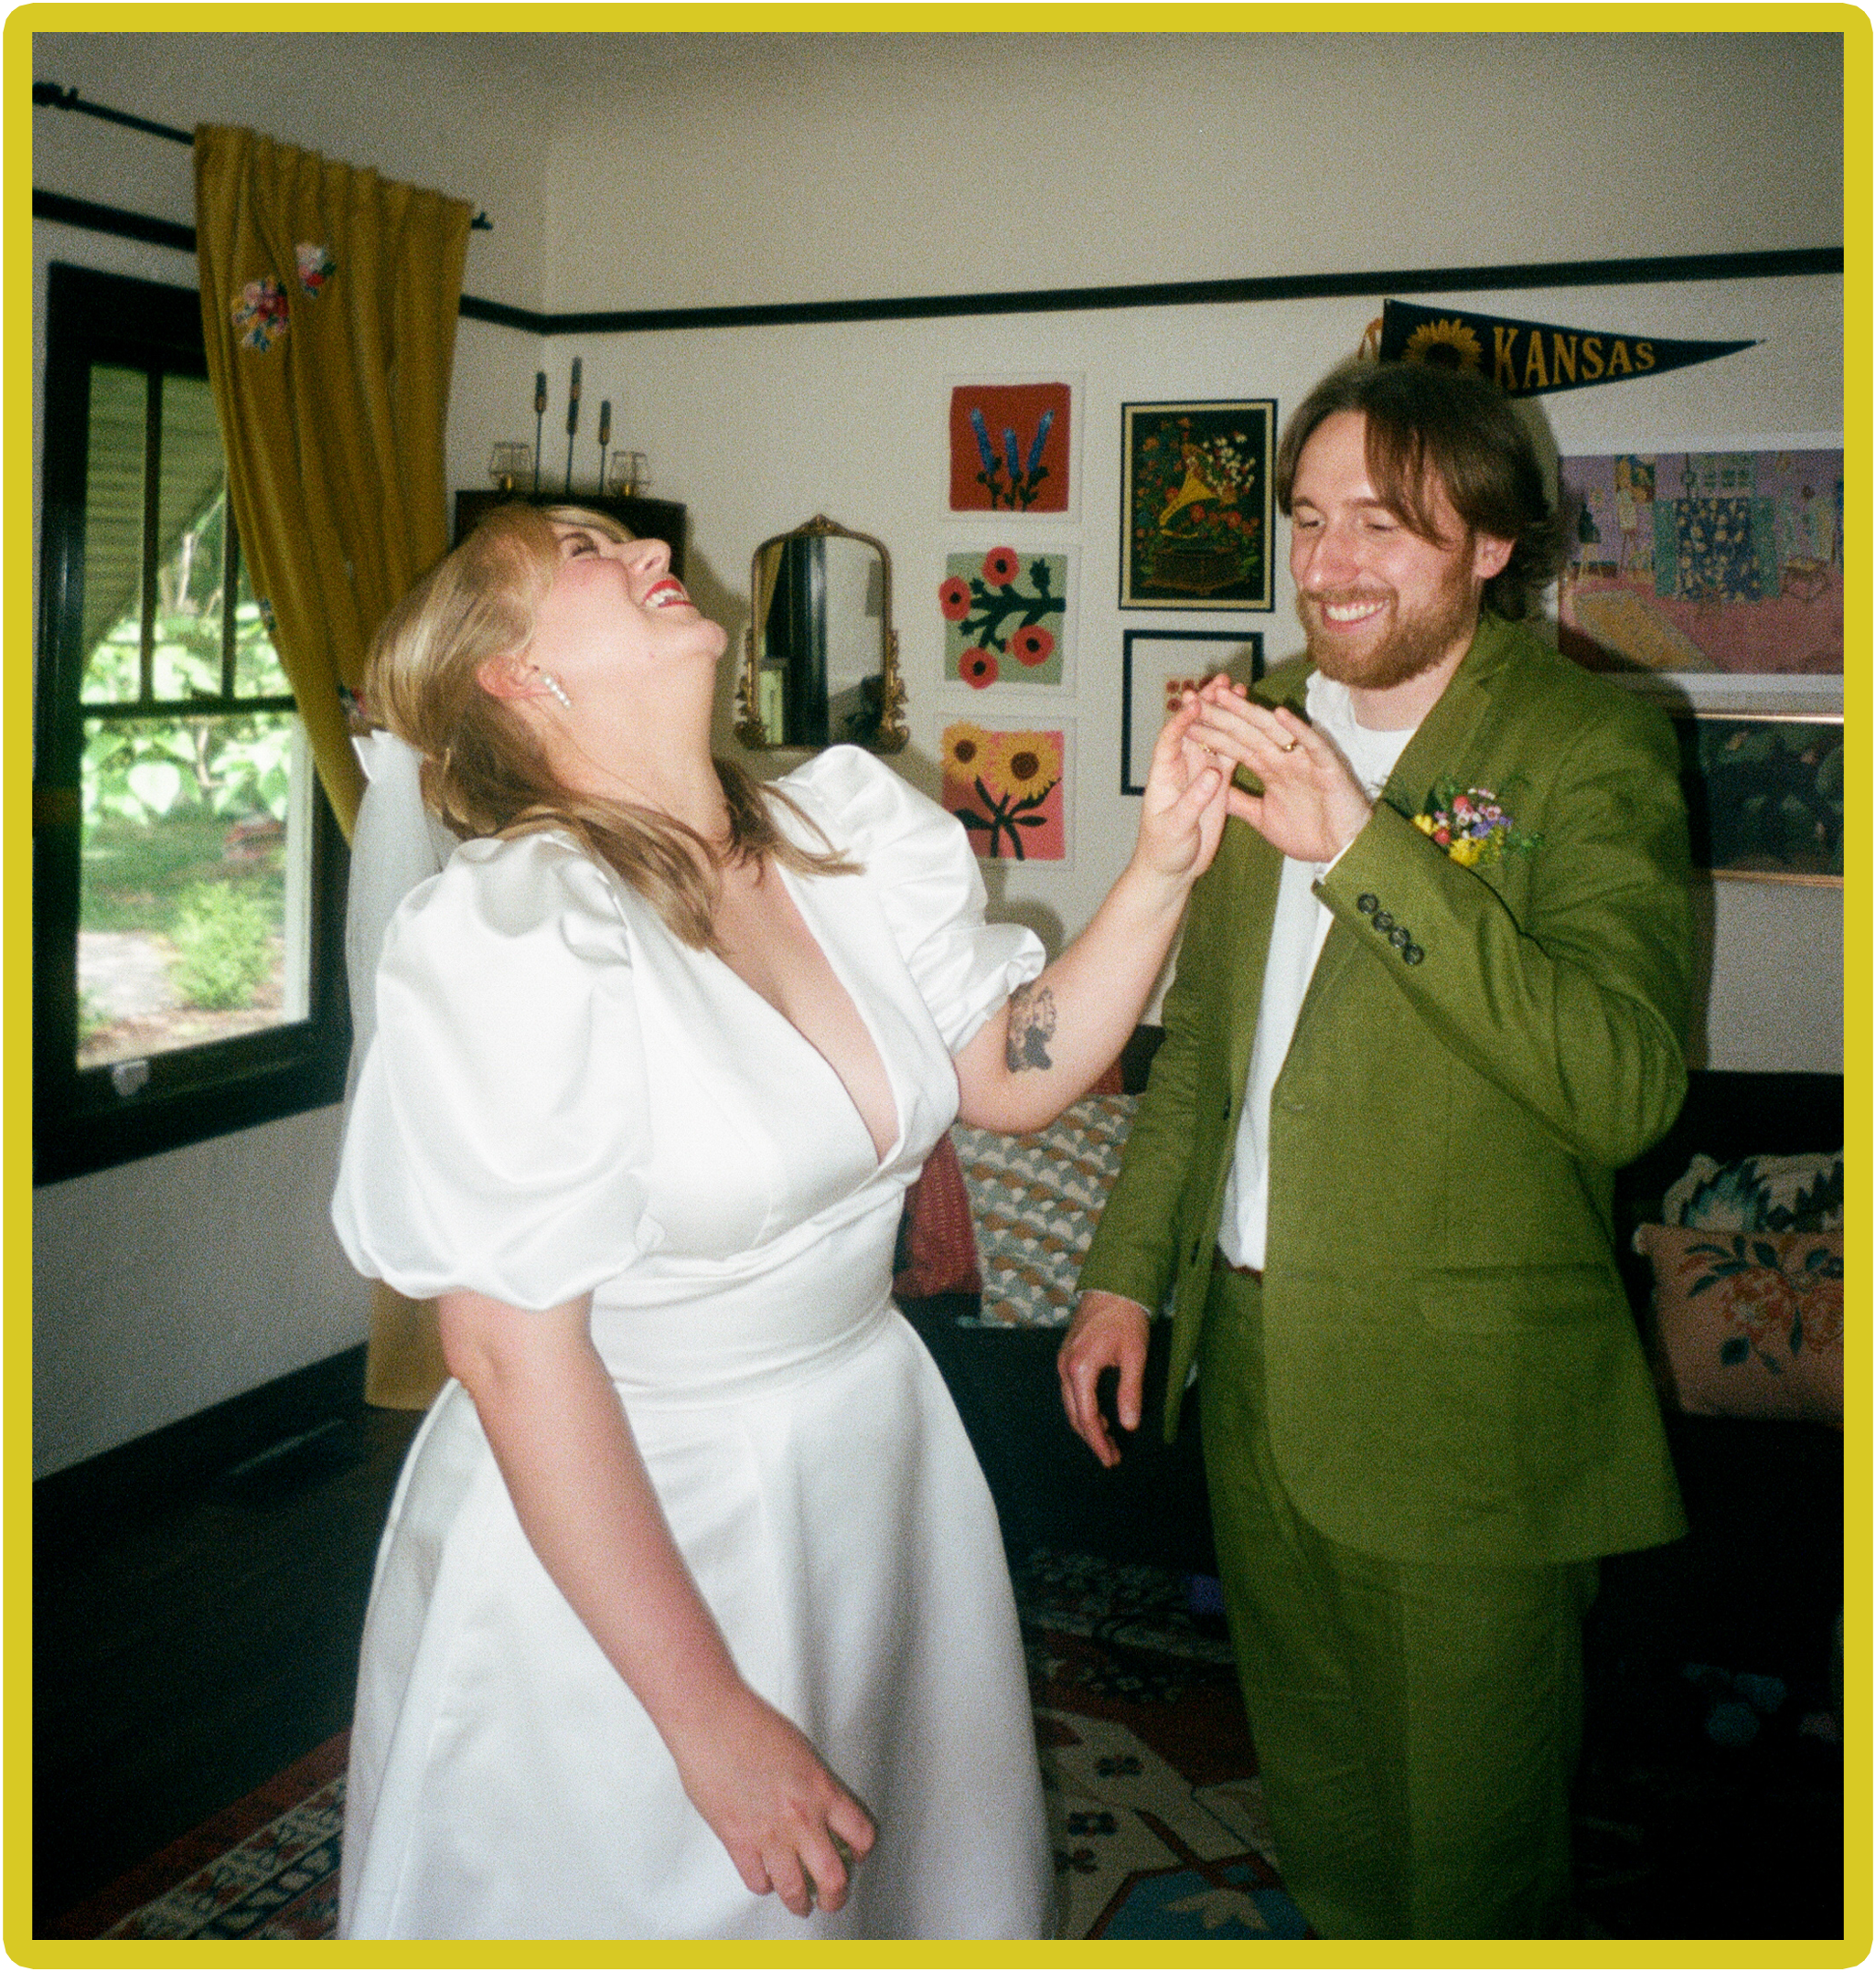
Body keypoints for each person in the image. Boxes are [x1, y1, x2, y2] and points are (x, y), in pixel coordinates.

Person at [330, 504, 1229, 1939]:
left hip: (871, 1449)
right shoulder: (513, 935)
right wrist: (707, 1717)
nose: (642, 550)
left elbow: (1004, 1076)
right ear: (515, 674)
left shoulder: (837, 833)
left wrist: (1166, 862)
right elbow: (506, 1351)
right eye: (582, 551)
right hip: (639, 1504)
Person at [1058, 359, 1694, 1938]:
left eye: (1383, 524)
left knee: (1472, 1871)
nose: (1329, 563)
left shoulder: (1585, 746)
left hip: (1465, 1409)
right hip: (1253, 1373)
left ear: (1491, 542)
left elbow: (1620, 1087)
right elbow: (1206, 1051)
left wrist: (1357, 843)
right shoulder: (1255, 721)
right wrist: (1122, 1279)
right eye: (1306, 517)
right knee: (1324, 1826)